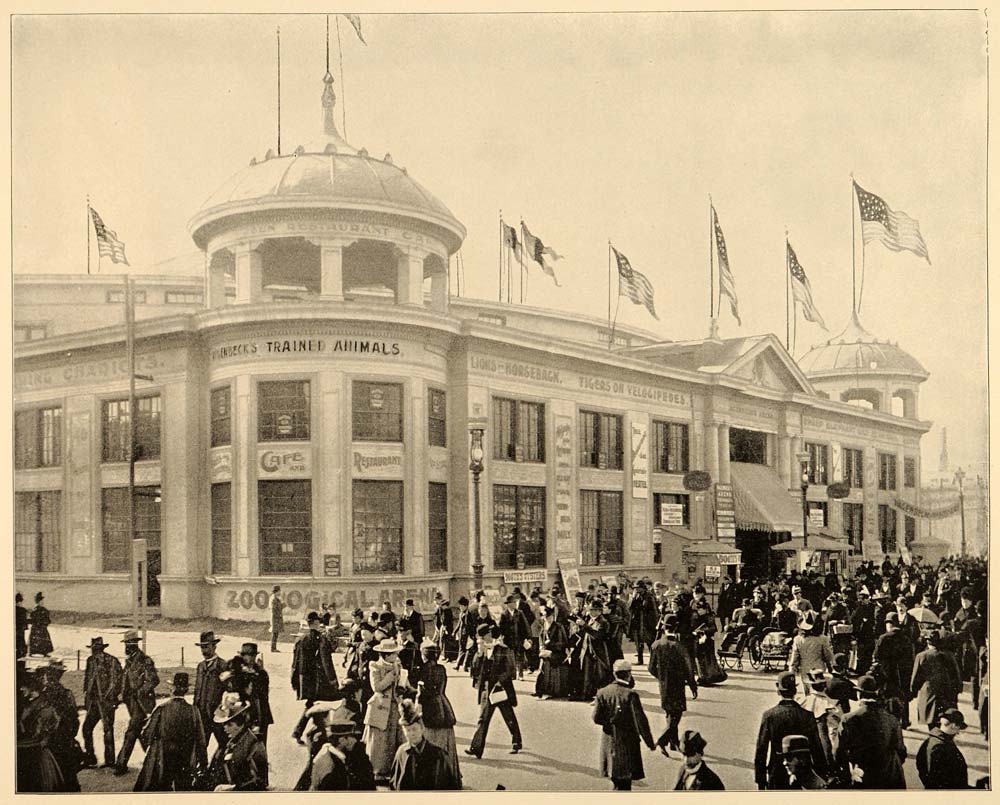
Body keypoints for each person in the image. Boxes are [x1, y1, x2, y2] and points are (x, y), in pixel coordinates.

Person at [134, 672, 208, 791]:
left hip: (164, 758)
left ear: (172, 689)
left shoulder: (161, 709)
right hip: (186, 759)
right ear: (186, 690)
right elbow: (201, 740)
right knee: (183, 789)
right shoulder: (194, 711)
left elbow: (147, 733)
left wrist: (150, 747)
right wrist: (203, 763)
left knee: (162, 788)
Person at [753, 671, 826, 790]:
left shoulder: (770, 716)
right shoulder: (807, 716)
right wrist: (821, 776)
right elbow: (816, 749)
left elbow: (761, 749)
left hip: (776, 772)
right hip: (803, 774)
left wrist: (760, 780)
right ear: (795, 691)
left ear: (778, 690)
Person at [592, 659, 656, 791]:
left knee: (615, 781)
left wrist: (610, 722)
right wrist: (649, 742)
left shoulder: (602, 692)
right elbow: (641, 722)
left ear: (614, 674)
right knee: (625, 785)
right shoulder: (631, 695)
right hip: (627, 744)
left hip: (609, 742)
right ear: (628, 674)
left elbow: (596, 718)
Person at [836, 675, 907, 788]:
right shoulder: (891, 718)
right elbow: (901, 751)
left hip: (862, 775)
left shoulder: (848, 719)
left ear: (859, 694)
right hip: (889, 777)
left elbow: (839, 752)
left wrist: (847, 775)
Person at [466, 623, 522, 758]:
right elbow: (474, 671)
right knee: (483, 719)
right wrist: (479, 655)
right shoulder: (480, 651)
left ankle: (516, 742)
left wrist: (499, 681)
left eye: (482, 637)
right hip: (487, 689)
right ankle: (476, 749)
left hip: (500, 688)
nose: (481, 641)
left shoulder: (503, 649)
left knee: (508, 716)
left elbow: (510, 670)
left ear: (489, 636)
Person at [648, 613, 698, 755]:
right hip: (677, 684)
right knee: (677, 713)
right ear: (676, 628)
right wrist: (693, 685)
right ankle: (662, 741)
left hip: (663, 685)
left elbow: (651, 668)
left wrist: (662, 677)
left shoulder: (656, 645)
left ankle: (673, 742)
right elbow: (689, 669)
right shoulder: (680, 647)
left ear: (664, 628)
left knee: (670, 713)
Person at [115, 629, 160, 774]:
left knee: (131, 732)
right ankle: (156, 762)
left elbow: (153, 680)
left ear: (135, 644)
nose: (126, 646)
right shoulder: (129, 661)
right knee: (142, 734)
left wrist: (140, 691)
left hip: (143, 703)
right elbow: (125, 679)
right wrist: (123, 693)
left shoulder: (145, 660)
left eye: (129, 643)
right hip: (131, 703)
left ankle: (121, 764)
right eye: (126, 643)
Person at [416, 640, 461, 785]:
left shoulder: (422, 669)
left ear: (424, 656)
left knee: (430, 738)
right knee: (445, 740)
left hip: (430, 708)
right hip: (443, 705)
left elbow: (424, 692)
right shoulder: (441, 669)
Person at [390, 699, 459, 790]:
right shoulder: (401, 753)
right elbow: (394, 784)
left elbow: (448, 786)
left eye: (414, 729)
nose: (412, 734)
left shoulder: (437, 754)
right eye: (408, 730)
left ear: (422, 728)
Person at [364, 638, 406, 784]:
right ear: (386, 655)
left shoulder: (397, 665)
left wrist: (403, 684)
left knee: (394, 739)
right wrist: (390, 677)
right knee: (380, 742)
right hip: (380, 708)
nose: (396, 656)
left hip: (394, 707)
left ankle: (392, 770)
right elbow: (376, 687)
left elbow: (401, 685)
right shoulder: (375, 667)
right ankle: (378, 772)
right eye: (394, 653)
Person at [208, 693, 268, 791]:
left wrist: (233, 788)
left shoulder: (254, 745)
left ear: (240, 724)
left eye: (229, 725)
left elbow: (260, 782)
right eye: (224, 725)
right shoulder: (229, 743)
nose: (225, 729)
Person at [37, 658, 82, 792]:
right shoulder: (67, 694)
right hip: (64, 742)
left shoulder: (43, 696)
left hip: (49, 744)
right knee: (68, 778)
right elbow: (75, 721)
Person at [17, 669, 65, 791]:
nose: (21, 689)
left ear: (32, 687)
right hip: (29, 750)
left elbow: (45, 731)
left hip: (37, 754)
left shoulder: (43, 705)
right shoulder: (30, 703)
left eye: (24, 687)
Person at [308, 706, 377, 790]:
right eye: (350, 737)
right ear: (341, 740)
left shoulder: (325, 754)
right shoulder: (332, 770)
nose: (354, 740)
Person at [81, 635, 123, 768]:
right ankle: (90, 757)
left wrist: (110, 696)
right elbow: (87, 680)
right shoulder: (90, 661)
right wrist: (87, 698)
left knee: (108, 730)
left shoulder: (111, 661)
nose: (95, 651)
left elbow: (117, 680)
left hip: (107, 701)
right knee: (86, 728)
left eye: (97, 648)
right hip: (94, 701)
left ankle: (110, 761)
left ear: (102, 649)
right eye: (94, 648)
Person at [911, 630, 962, 730]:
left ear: (928, 642)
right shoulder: (949, 655)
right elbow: (956, 676)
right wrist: (957, 690)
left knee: (931, 722)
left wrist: (913, 690)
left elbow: (916, 678)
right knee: (944, 721)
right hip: (946, 694)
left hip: (929, 693)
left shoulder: (921, 656)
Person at [872, 612, 915, 727]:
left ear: (889, 624)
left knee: (887, 696)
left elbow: (876, 656)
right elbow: (911, 657)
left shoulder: (883, 638)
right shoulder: (906, 638)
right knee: (903, 696)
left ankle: (889, 720)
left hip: (887, 673)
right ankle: (904, 720)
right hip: (903, 673)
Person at [292, 611, 340, 707]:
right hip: (318, 679)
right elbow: (326, 661)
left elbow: (295, 662)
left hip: (304, 678)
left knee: (309, 704)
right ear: (316, 623)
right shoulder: (322, 640)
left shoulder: (300, 640)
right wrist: (332, 679)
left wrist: (294, 679)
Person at [916, 707, 970, 789]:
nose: (958, 732)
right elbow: (936, 780)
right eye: (959, 728)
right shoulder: (939, 747)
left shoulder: (934, 740)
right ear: (953, 725)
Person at [193, 630, 227, 752]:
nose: (204, 651)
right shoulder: (200, 666)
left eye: (206, 647)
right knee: (200, 746)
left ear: (214, 646)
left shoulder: (223, 666)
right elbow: (197, 691)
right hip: (202, 715)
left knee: (224, 745)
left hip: (217, 715)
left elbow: (229, 692)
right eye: (202, 647)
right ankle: (201, 770)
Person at [789, 611, 834, 691]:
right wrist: (831, 670)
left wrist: (791, 675)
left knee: (808, 694)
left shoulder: (798, 639)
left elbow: (794, 660)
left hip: (805, 670)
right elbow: (829, 657)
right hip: (819, 670)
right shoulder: (823, 639)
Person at [240, 643, 274, 744]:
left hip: (259, 713)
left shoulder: (262, 674)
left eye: (250, 655)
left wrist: (256, 674)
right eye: (244, 655)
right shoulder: (239, 672)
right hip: (243, 713)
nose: (247, 658)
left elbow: (263, 694)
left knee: (260, 745)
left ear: (255, 656)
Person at [536, 604, 571, 699]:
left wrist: (550, 645)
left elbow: (563, 642)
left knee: (554, 672)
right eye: (546, 617)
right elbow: (540, 639)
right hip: (546, 653)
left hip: (557, 653)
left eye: (550, 617)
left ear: (553, 616)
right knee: (544, 671)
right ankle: (545, 690)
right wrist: (541, 647)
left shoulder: (558, 627)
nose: (548, 619)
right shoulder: (544, 627)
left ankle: (555, 691)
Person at [499, 594, 532, 680]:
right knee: (510, 657)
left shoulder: (519, 613)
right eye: (513, 602)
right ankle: (512, 674)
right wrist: (500, 637)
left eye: (515, 602)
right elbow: (501, 627)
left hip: (519, 638)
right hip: (508, 640)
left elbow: (525, 625)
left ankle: (520, 674)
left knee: (520, 656)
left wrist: (528, 637)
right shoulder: (504, 614)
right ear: (509, 604)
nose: (515, 604)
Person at [627, 581, 658, 665]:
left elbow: (653, 611)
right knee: (638, 642)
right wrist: (633, 598)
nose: (636, 589)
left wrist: (654, 623)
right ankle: (640, 660)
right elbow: (630, 607)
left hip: (647, 622)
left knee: (649, 642)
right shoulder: (636, 596)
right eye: (635, 588)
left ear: (642, 588)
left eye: (638, 588)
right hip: (637, 621)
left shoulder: (649, 596)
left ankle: (653, 660)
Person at [454, 596, 478, 672]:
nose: (460, 607)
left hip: (466, 634)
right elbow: (459, 623)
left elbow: (469, 626)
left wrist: (471, 636)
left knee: (465, 650)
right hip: (462, 633)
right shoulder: (462, 613)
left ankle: (460, 665)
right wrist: (455, 631)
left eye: (461, 606)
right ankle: (462, 665)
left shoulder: (468, 614)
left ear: (465, 606)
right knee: (464, 650)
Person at [29, 591, 53, 656]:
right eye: (41, 601)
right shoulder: (38, 610)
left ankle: (42, 652)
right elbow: (33, 619)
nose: (42, 602)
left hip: (39, 628)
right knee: (39, 639)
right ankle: (35, 652)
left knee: (40, 640)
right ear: (39, 602)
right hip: (39, 628)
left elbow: (47, 619)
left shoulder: (41, 610)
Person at [433, 593, 455, 660]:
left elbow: (445, 619)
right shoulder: (439, 608)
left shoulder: (445, 609)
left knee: (444, 641)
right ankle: (441, 655)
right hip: (440, 627)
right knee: (440, 641)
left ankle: (445, 656)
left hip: (444, 627)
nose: (436, 601)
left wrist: (443, 628)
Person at [269, 585, 286, 652]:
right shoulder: (273, 599)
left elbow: (282, 606)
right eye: (279, 591)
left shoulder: (276, 598)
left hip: (276, 617)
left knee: (276, 633)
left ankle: (273, 648)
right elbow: (274, 609)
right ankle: (273, 648)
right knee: (274, 633)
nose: (280, 592)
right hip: (275, 617)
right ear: (277, 591)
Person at [16, 592, 29, 659]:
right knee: (21, 641)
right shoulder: (22, 610)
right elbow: (24, 620)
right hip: (20, 629)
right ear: (20, 602)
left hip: (15, 629)